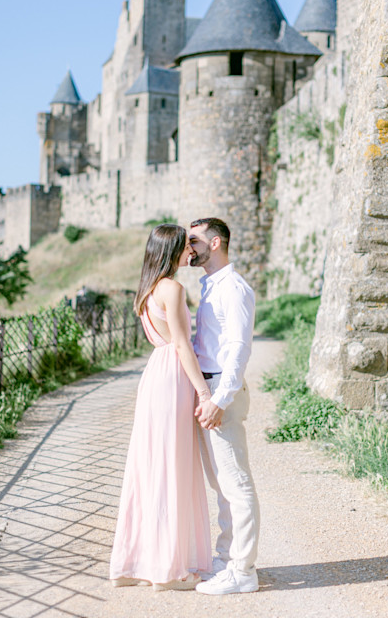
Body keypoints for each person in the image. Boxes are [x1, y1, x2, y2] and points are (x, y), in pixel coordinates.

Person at [109, 224, 212, 591]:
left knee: (148, 466)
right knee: (172, 466)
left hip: (154, 374)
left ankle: (130, 565)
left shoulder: (147, 290)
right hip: (173, 377)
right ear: (171, 251)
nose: (191, 252)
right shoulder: (173, 288)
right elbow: (182, 345)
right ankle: (169, 571)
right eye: (186, 247)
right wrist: (203, 392)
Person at [188, 217, 260, 596]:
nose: (189, 247)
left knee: (236, 483)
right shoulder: (211, 286)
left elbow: (238, 350)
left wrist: (219, 399)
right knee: (221, 484)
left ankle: (243, 571)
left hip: (221, 391)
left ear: (215, 243)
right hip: (210, 388)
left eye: (195, 240)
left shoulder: (233, 288)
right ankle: (227, 558)